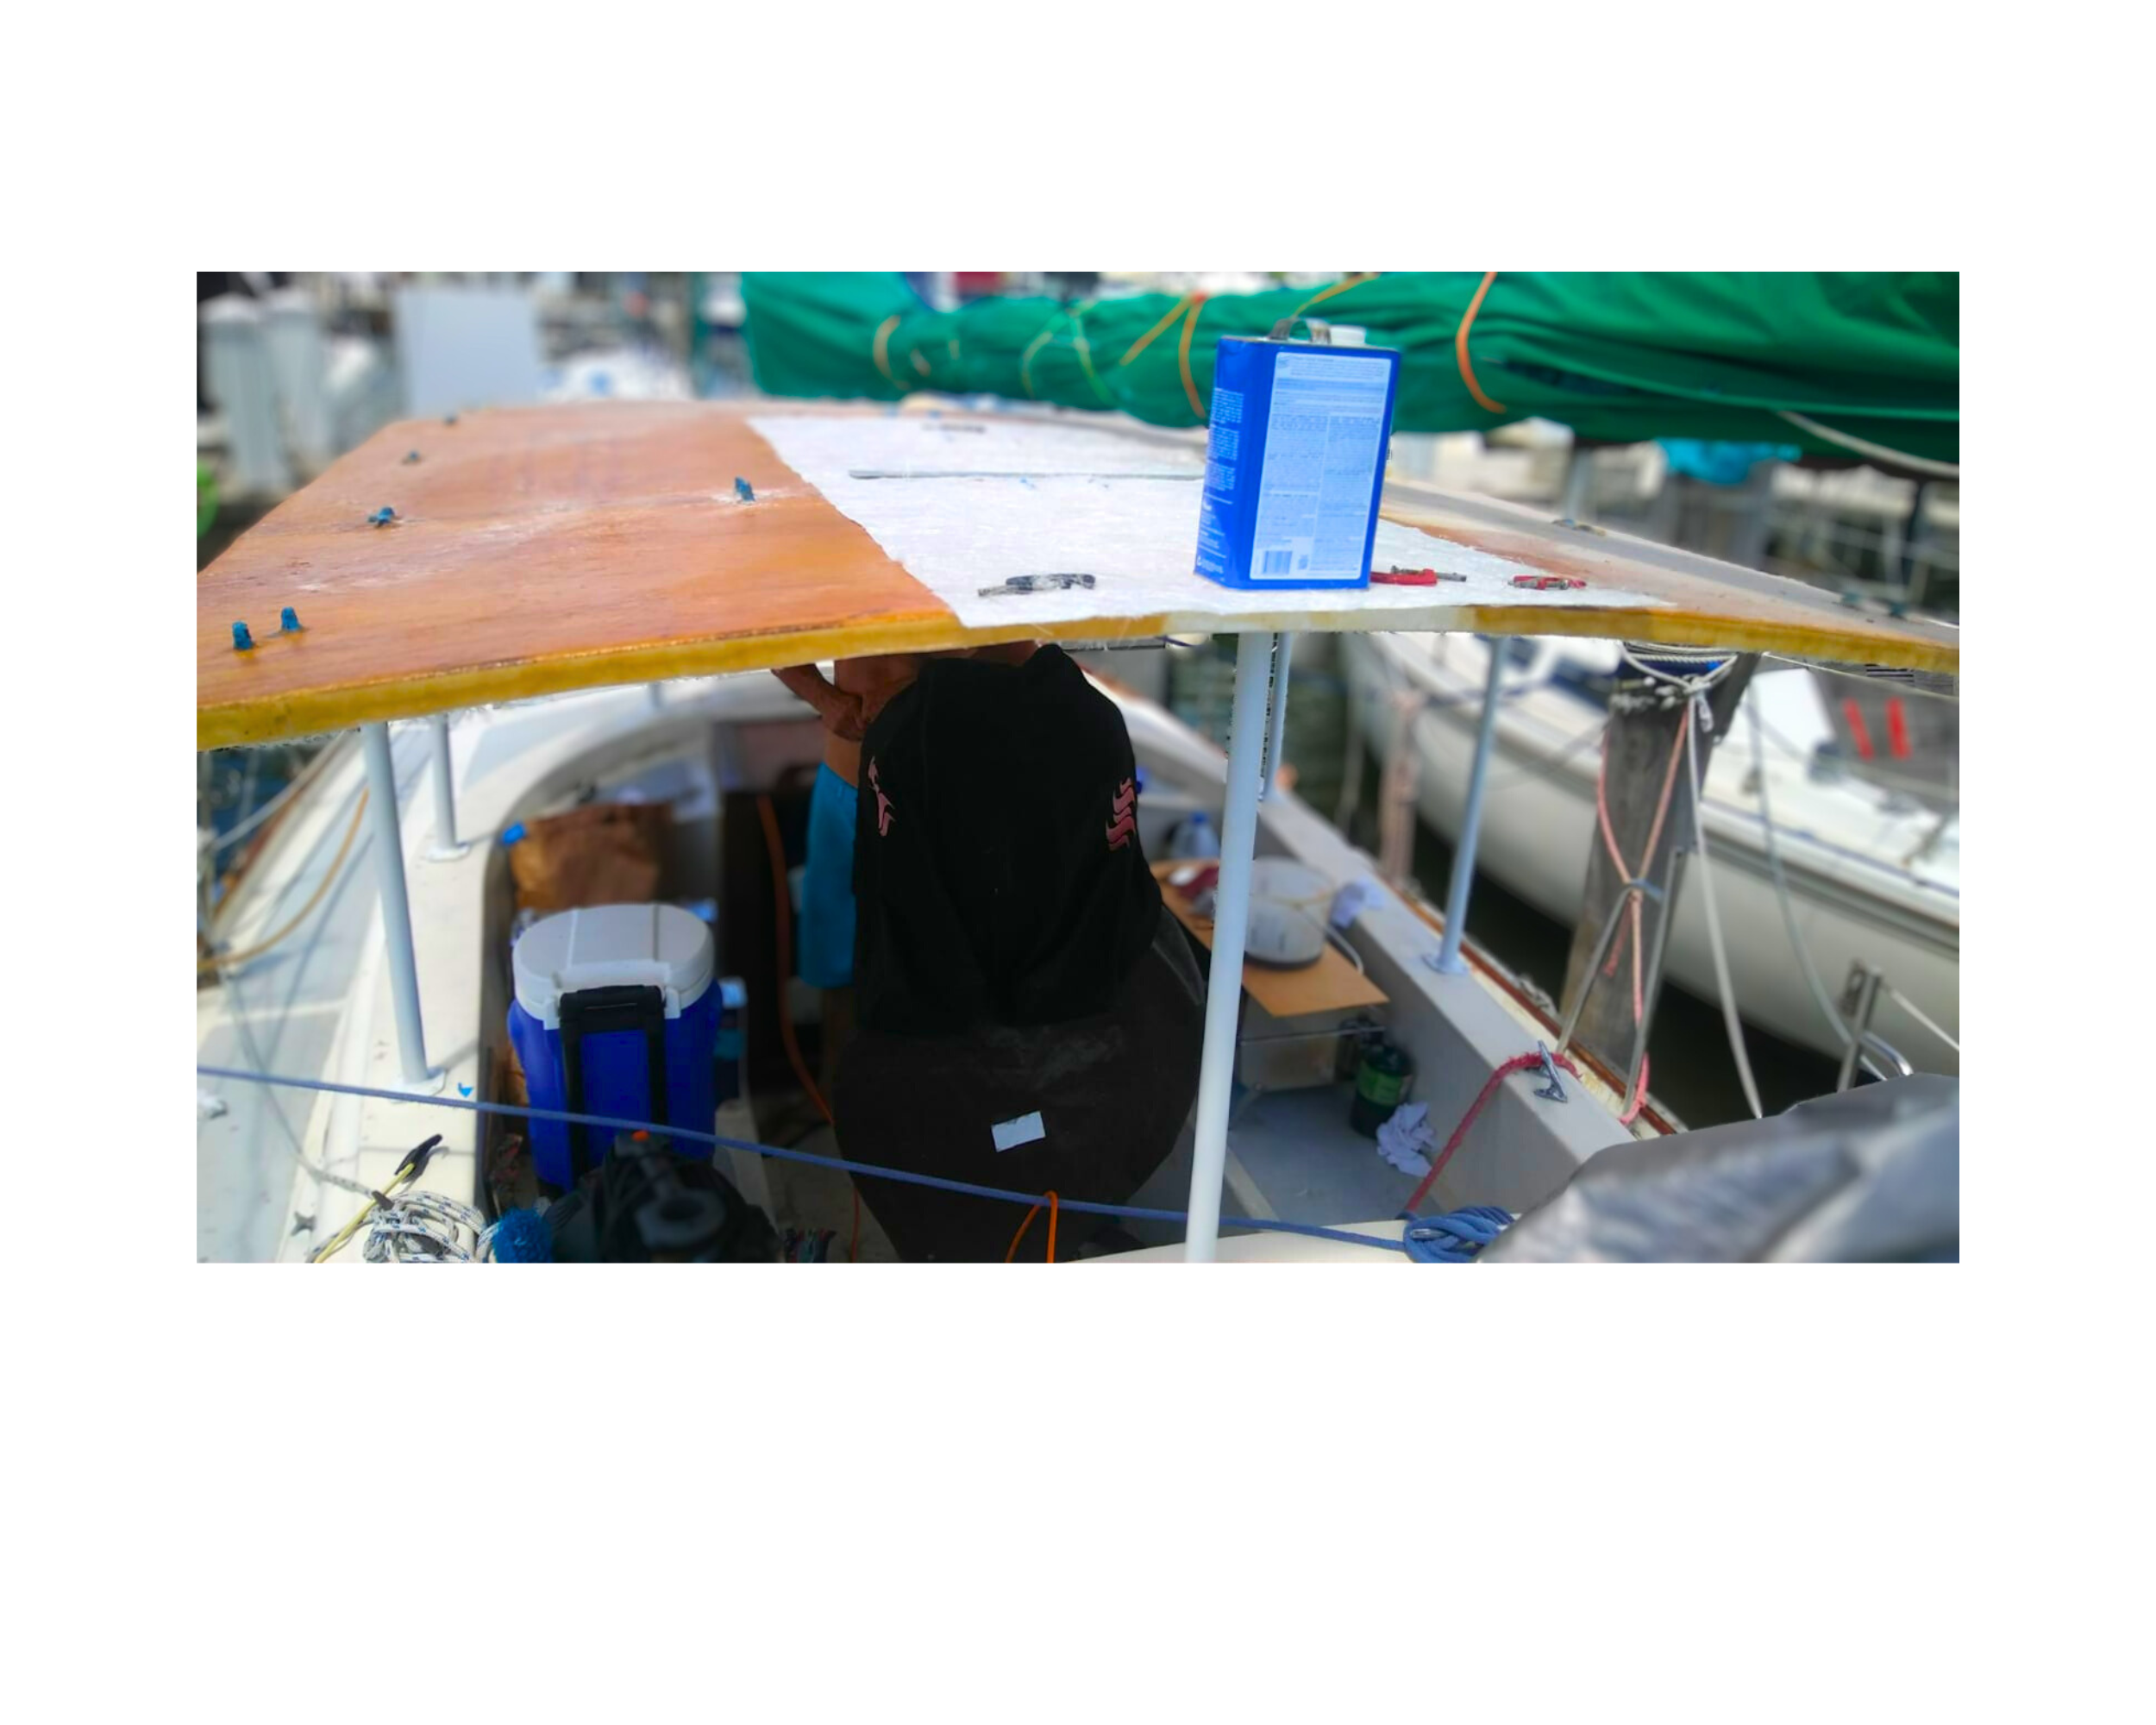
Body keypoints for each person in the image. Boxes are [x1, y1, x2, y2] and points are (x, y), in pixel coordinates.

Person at [771, 647, 1035, 1078]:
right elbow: (769, 629)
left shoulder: (973, 578)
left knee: (954, 981)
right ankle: (843, 1130)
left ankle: (951, 1127)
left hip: (942, 807)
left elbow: (1026, 660)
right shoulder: (829, 576)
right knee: (839, 980)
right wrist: (823, 697)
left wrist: (923, 688)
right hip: (846, 788)